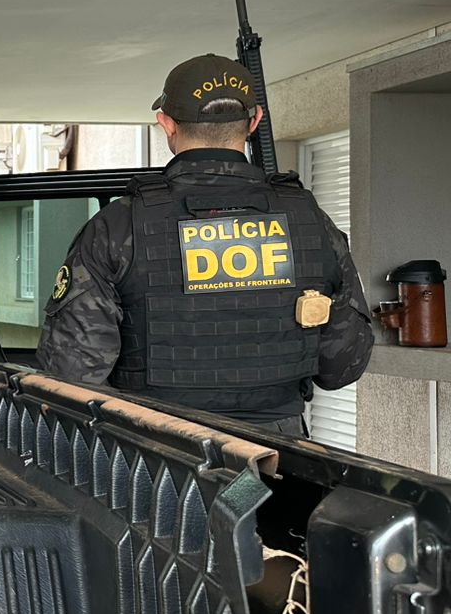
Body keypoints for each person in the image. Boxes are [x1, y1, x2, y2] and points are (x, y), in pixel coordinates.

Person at [35, 54, 372, 437]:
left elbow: (71, 375)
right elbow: (343, 365)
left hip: (157, 449)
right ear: (255, 121)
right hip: (278, 451)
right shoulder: (311, 221)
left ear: (166, 123)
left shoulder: (118, 226)